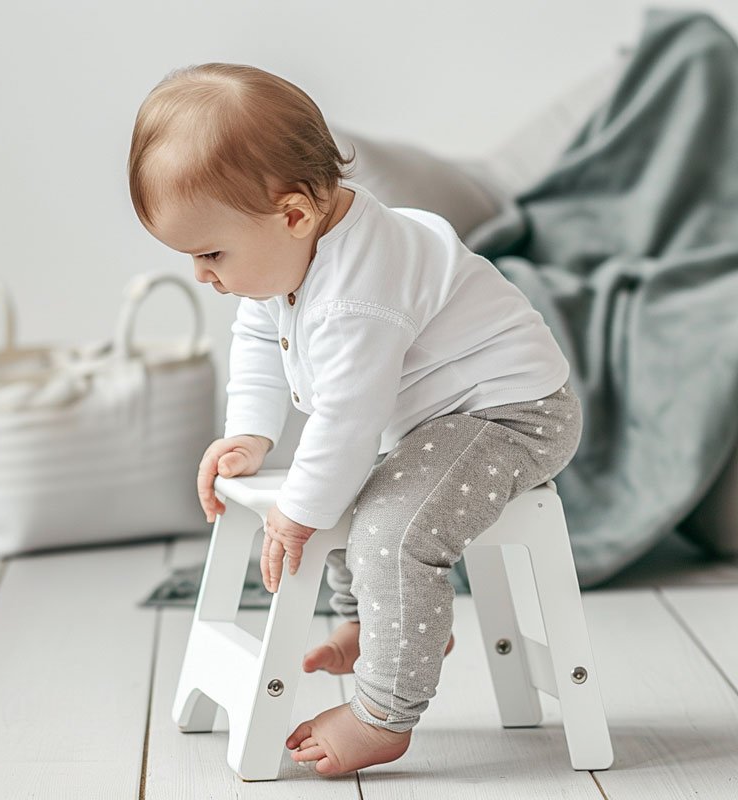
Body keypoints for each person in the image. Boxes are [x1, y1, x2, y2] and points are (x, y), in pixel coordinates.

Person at [128, 62, 583, 776]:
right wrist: (252, 431)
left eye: (211, 253)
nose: (202, 275)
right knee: (356, 491)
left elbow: (347, 419)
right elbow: (256, 336)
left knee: (391, 529)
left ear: (294, 214)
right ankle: (378, 624)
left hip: (512, 414)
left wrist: (298, 512)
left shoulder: (355, 296)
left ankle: (383, 709)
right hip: (442, 420)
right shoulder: (295, 246)